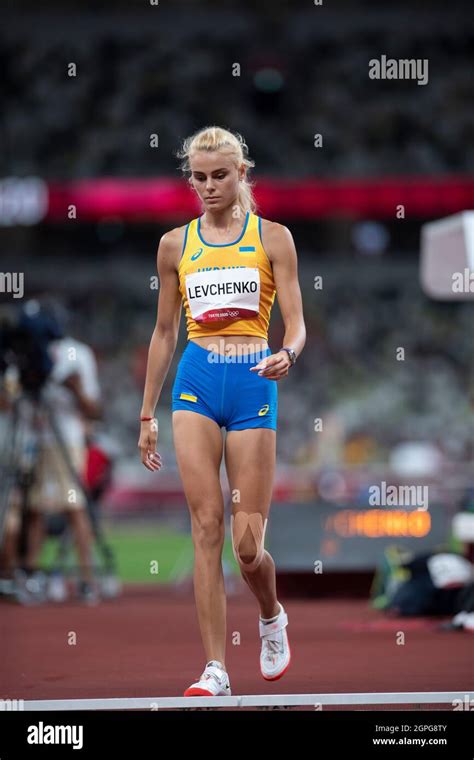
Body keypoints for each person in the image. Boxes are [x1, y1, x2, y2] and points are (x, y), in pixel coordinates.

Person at [138, 126, 306, 697]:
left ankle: (270, 615)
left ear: (241, 175)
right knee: (206, 527)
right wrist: (146, 414)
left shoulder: (273, 237)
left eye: (220, 176)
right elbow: (164, 332)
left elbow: (298, 322)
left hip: (254, 378)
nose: (209, 187)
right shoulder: (173, 245)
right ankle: (215, 668)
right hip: (197, 381)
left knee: (248, 546)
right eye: (199, 177)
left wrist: (288, 351)